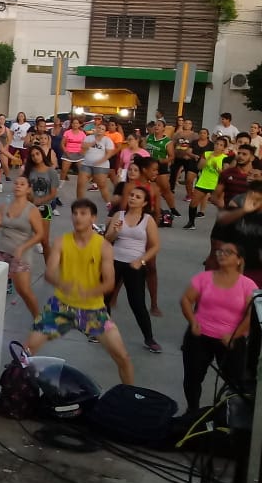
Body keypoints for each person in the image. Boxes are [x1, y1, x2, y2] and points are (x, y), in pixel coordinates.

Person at [25, 199, 135, 384]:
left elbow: (109, 283)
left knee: (122, 357)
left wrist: (90, 292)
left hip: (93, 311)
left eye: (83, 214)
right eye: (75, 213)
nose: (78, 217)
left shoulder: (103, 246)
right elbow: (49, 273)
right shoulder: (62, 242)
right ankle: (17, 392)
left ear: (93, 217)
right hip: (60, 307)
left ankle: (131, 396)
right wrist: (62, 283)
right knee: (26, 351)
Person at [179, 242, 256, 412]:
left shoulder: (248, 285)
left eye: (228, 252)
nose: (222, 254)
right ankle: (192, 411)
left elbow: (251, 316)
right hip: (200, 336)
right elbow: (186, 299)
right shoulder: (204, 278)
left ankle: (230, 414)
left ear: (238, 260)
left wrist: (234, 335)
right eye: (220, 251)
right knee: (192, 378)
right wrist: (193, 321)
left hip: (230, 340)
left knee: (235, 382)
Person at [103, 186, 161, 352]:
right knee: (104, 299)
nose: (133, 198)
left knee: (137, 303)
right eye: (131, 195)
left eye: (137, 197)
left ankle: (149, 338)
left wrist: (141, 261)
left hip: (135, 263)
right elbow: (107, 239)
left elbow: (155, 246)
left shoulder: (147, 220)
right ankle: (103, 332)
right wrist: (114, 231)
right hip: (114, 261)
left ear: (144, 203)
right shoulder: (119, 215)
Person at [0, 176, 45, 316]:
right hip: (2, 250)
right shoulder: (4, 206)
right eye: (16, 183)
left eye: (22, 184)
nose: (18, 186)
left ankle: (38, 319)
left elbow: (40, 234)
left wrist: (22, 247)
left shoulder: (32, 210)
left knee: (24, 290)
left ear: (28, 189)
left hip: (21, 253)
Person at [24, 145, 60, 262]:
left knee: (44, 240)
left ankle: (49, 267)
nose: (35, 157)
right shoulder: (29, 171)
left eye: (37, 154)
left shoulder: (51, 172)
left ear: (42, 154)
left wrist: (39, 201)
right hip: (28, 207)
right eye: (32, 155)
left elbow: (53, 193)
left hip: (45, 207)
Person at [184, 136, 229, 230]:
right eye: (217, 144)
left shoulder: (225, 158)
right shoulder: (207, 153)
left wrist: (218, 168)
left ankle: (224, 226)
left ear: (224, 148)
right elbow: (199, 167)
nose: (218, 146)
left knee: (221, 205)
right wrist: (208, 159)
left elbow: (226, 174)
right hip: (203, 182)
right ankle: (191, 223)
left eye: (221, 145)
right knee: (193, 203)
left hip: (216, 184)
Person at [145, 120, 180, 215]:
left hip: (160, 166)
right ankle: (150, 207)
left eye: (159, 125)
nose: (156, 126)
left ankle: (173, 209)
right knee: (148, 188)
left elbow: (172, 156)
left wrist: (163, 161)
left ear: (163, 128)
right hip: (148, 165)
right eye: (155, 125)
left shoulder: (167, 141)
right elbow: (143, 150)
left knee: (166, 189)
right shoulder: (148, 137)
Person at [77, 122, 117, 203]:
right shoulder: (88, 138)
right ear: (96, 128)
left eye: (103, 129)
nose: (100, 130)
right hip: (86, 164)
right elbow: (83, 147)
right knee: (80, 183)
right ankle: (79, 203)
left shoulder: (107, 140)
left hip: (101, 166)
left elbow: (109, 153)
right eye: (99, 128)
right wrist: (95, 141)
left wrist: (100, 161)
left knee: (102, 185)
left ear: (105, 131)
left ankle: (109, 203)